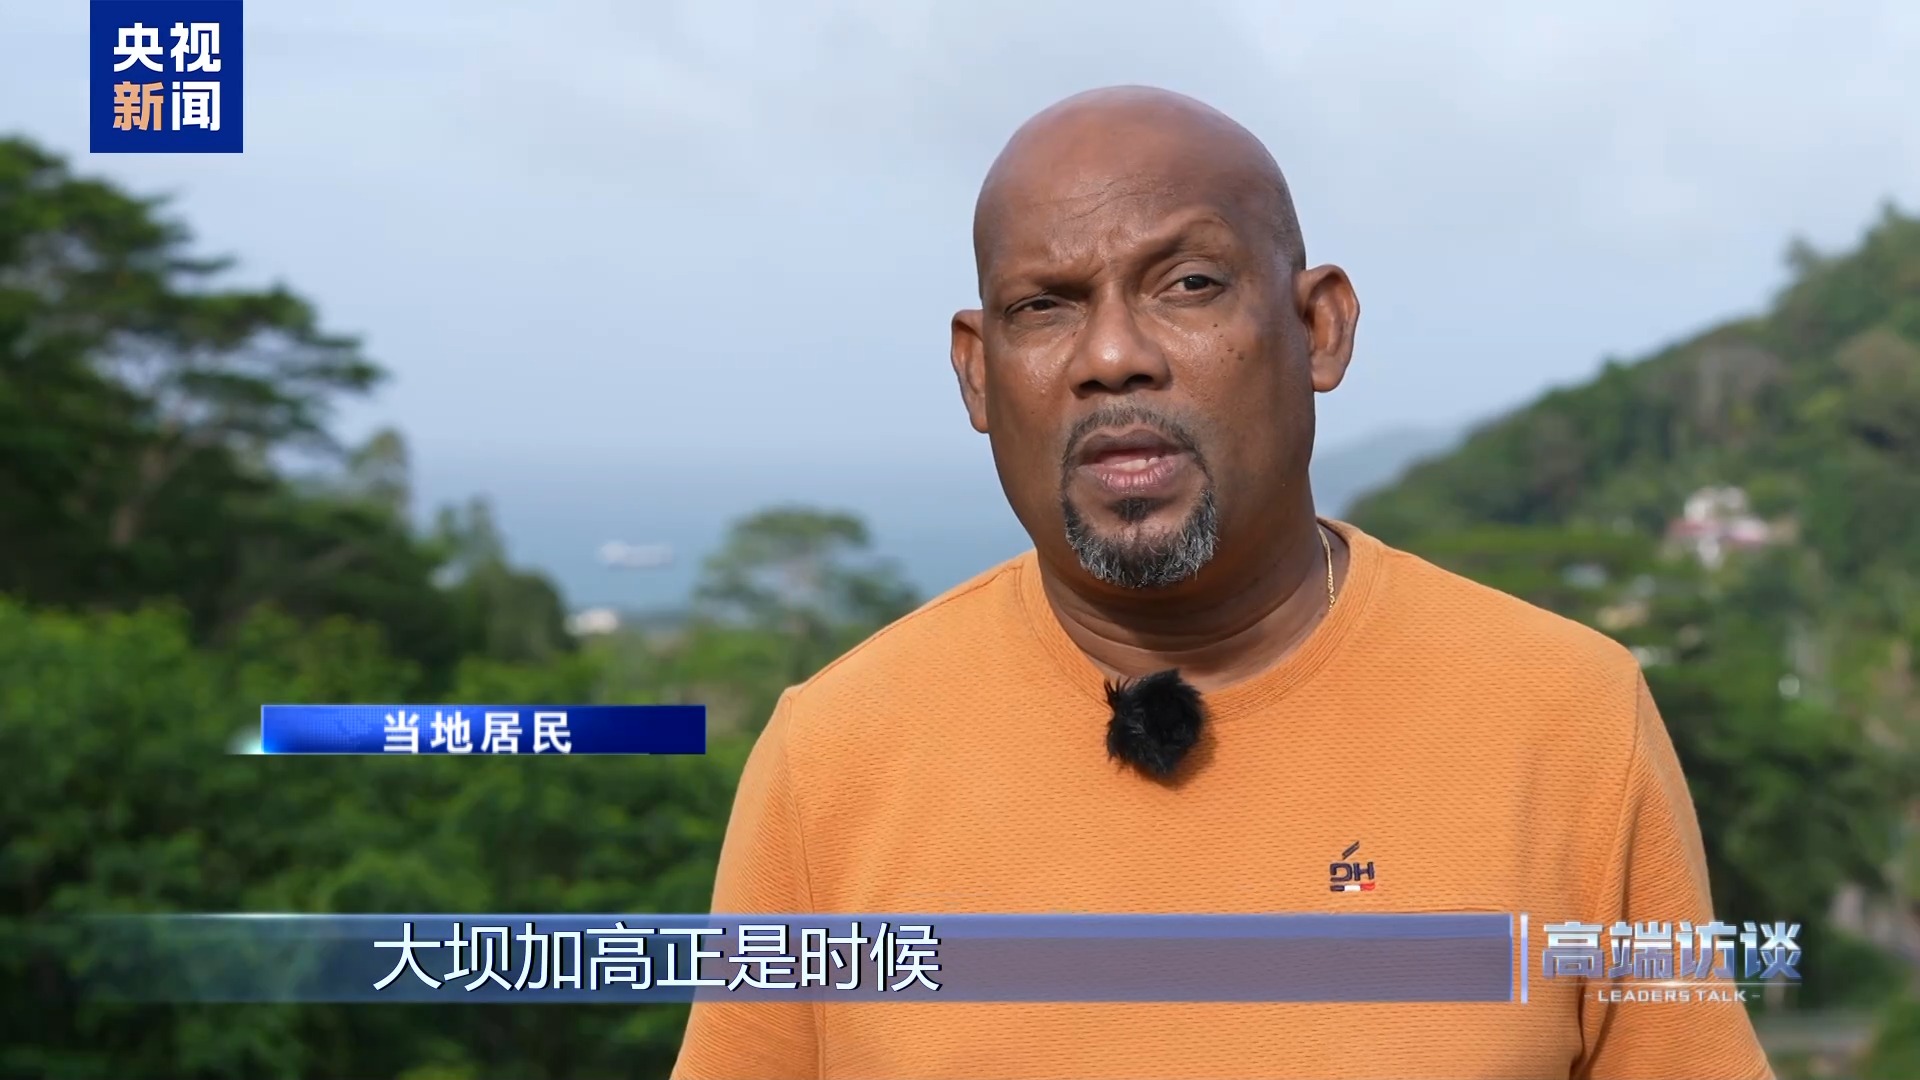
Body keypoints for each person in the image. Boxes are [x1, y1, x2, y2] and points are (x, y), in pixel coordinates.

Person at [672, 86, 1773, 1080]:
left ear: (1318, 327)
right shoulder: (835, 757)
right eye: (1044, 306)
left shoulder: (1566, 719)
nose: (1112, 354)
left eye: (1188, 285)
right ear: (977, 373)